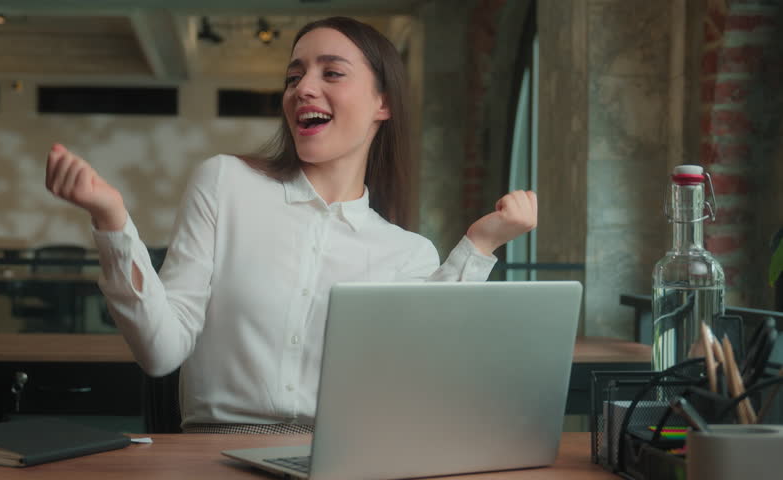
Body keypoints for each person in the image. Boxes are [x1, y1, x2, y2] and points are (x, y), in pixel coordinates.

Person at [44, 17, 537, 434]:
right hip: (212, 454)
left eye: (332, 73)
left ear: (382, 103)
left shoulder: (409, 253)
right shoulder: (223, 183)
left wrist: (480, 244)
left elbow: (422, 381)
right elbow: (160, 352)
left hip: (340, 459)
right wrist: (112, 221)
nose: (303, 88)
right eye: (294, 76)